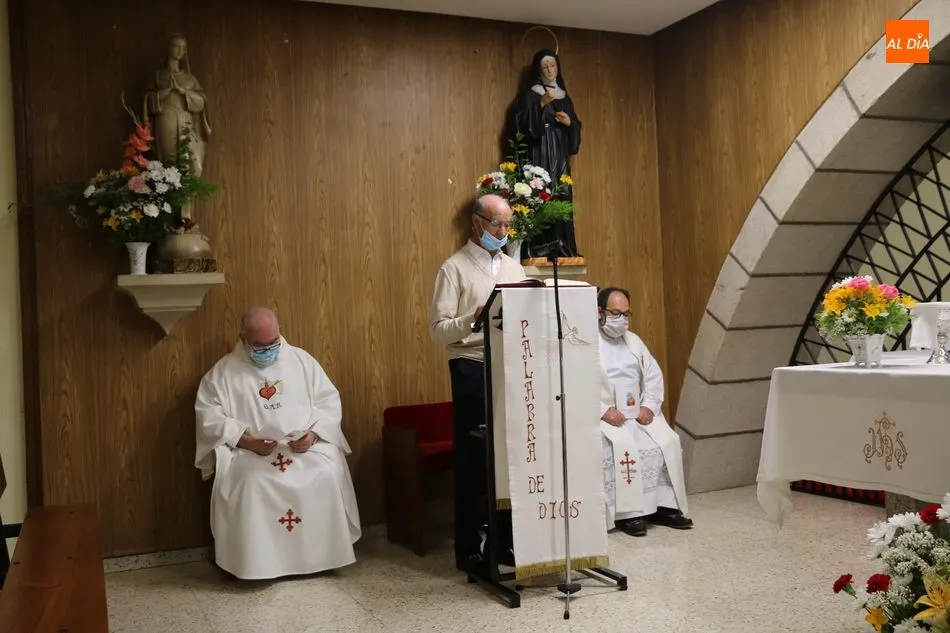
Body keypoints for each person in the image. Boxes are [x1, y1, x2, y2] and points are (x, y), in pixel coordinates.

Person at [194, 307, 361, 580]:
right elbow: (209, 417)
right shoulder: (222, 373)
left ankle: (323, 558)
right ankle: (258, 566)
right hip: (249, 453)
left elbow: (329, 402)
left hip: (303, 448)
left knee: (326, 473)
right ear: (243, 338)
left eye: (273, 342)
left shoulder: (303, 362)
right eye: (259, 345)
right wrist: (244, 440)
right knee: (251, 482)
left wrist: (313, 435)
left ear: (280, 331)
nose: (268, 350)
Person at [429, 194, 527, 573]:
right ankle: (468, 547)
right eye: (496, 224)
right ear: (476, 223)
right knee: (474, 459)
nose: (502, 232)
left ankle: (504, 543)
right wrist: (473, 319)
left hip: (511, 366)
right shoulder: (453, 268)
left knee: (508, 459)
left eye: (507, 225)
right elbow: (438, 331)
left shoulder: (514, 268)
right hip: (470, 364)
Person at [596, 287, 692, 537]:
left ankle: (664, 507)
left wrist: (648, 406)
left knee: (667, 441)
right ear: (599, 312)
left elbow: (653, 375)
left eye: (626, 314)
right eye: (615, 313)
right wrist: (604, 411)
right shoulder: (587, 344)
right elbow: (577, 384)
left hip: (637, 411)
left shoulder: (634, 341)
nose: (622, 319)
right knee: (623, 447)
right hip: (608, 416)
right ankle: (630, 514)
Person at [508, 49, 582, 258]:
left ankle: (564, 246)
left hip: (559, 152)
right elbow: (520, 124)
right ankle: (540, 247)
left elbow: (575, 128)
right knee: (541, 194)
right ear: (538, 70)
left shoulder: (564, 96)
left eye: (553, 65)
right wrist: (540, 105)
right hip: (539, 151)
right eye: (545, 66)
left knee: (562, 194)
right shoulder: (531, 94)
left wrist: (570, 124)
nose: (550, 70)